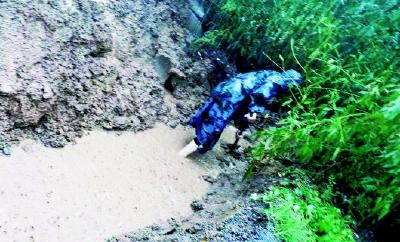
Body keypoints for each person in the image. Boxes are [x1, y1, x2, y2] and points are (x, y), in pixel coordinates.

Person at [178, 69, 302, 157]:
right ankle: (182, 155)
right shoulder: (277, 82)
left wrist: (242, 125)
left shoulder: (272, 74)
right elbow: (259, 95)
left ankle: (191, 148)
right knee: (213, 127)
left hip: (227, 89)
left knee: (209, 117)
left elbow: (247, 100)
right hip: (232, 97)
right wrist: (254, 112)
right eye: (293, 86)